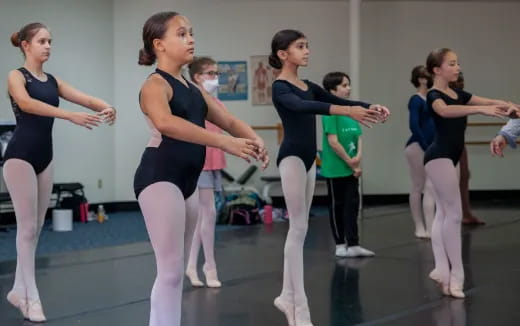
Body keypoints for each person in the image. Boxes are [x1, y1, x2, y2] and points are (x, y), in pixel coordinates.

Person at [134, 12, 268, 326]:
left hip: (187, 181)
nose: (191, 39)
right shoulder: (155, 84)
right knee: (169, 271)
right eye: (181, 34)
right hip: (159, 178)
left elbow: (229, 120)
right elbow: (167, 123)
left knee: (175, 271)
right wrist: (224, 143)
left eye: (191, 33)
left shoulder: (193, 90)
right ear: (159, 44)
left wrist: (254, 138)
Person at [269, 29, 389, 326]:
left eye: (307, 45)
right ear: (283, 54)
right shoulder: (280, 87)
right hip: (293, 158)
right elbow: (304, 107)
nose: (307, 51)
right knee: (296, 230)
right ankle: (297, 305)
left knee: (301, 228)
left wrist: (368, 107)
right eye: (300, 46)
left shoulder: (308, 84)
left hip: (310, 159)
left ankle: (287, 295)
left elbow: (327, 99)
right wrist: (348, 111)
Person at [4, 22, 116, 322]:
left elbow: (85, 99)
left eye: (50, 41)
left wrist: (106, 106)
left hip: (45, 157)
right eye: (42, 41)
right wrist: (68, 115)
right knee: (26, 228)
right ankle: (31, 297)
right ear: (26, 45)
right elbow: (26, 104)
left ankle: (17, 288)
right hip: (20, 157)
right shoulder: (17, 76)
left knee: (36, 229)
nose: (48, 46)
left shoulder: (52, 80)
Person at [424, 48, 515, 298]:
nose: (457, 67)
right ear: (437, 70)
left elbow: (488, 101)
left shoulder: (458, 93)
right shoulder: (434, 94)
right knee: (452, 214)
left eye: (457, 63)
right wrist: (478, 110)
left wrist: (509, 105)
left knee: (444, 213)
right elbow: (444, 111)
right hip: (438, 155)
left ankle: (442, 270)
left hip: (449, 156)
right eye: (452, 64)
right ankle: (456, 276)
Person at [321, 71, 375, 257]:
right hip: (336, 169)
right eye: (344, 85)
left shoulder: (351, 111)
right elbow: (333, 141)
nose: (348, 88)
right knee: (338, 206)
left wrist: (357, 162)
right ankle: (340, 244)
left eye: (348, 84)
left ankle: (354, 244)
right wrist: (350, 162)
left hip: (352, 169)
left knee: (352, 206)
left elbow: (358, 137)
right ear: (332, 90)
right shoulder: (330, 112)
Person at [185, 56, 226, 288]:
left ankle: (192, 265)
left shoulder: (217, 103)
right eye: (211, 73)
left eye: (216, 73)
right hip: (199, 163)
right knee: (208, 214)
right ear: (197, 77)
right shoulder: (192, 101)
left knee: (205, 216)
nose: (215, 78)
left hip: (214, 163)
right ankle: (209, 265)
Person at [404, 65, 436, 238]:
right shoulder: (416, 100)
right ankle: (419, 226)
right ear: (421, 79)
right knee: (419, 185)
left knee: (430, 186)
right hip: (417, 146)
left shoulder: (431, 98)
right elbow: (414, 125)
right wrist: (425, 145)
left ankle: (431, 227)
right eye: (427, 76)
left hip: (430, 146)